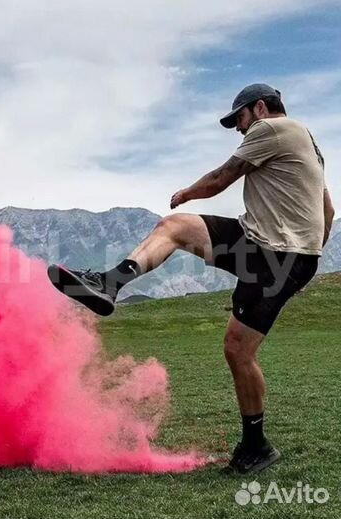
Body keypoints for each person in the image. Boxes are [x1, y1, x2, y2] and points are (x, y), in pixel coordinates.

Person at [48, 83, 336, 474]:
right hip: (268, 248)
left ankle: (256, 446)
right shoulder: (310, 148)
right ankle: (109, 283)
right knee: (176, 229)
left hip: (276, 256)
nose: (239, 128)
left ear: (261, 108)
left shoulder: (270, 130)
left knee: (238, 350)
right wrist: (308, 259)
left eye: (240, 119)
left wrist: (187, 192)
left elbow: (222, 177)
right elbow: (329, 210)